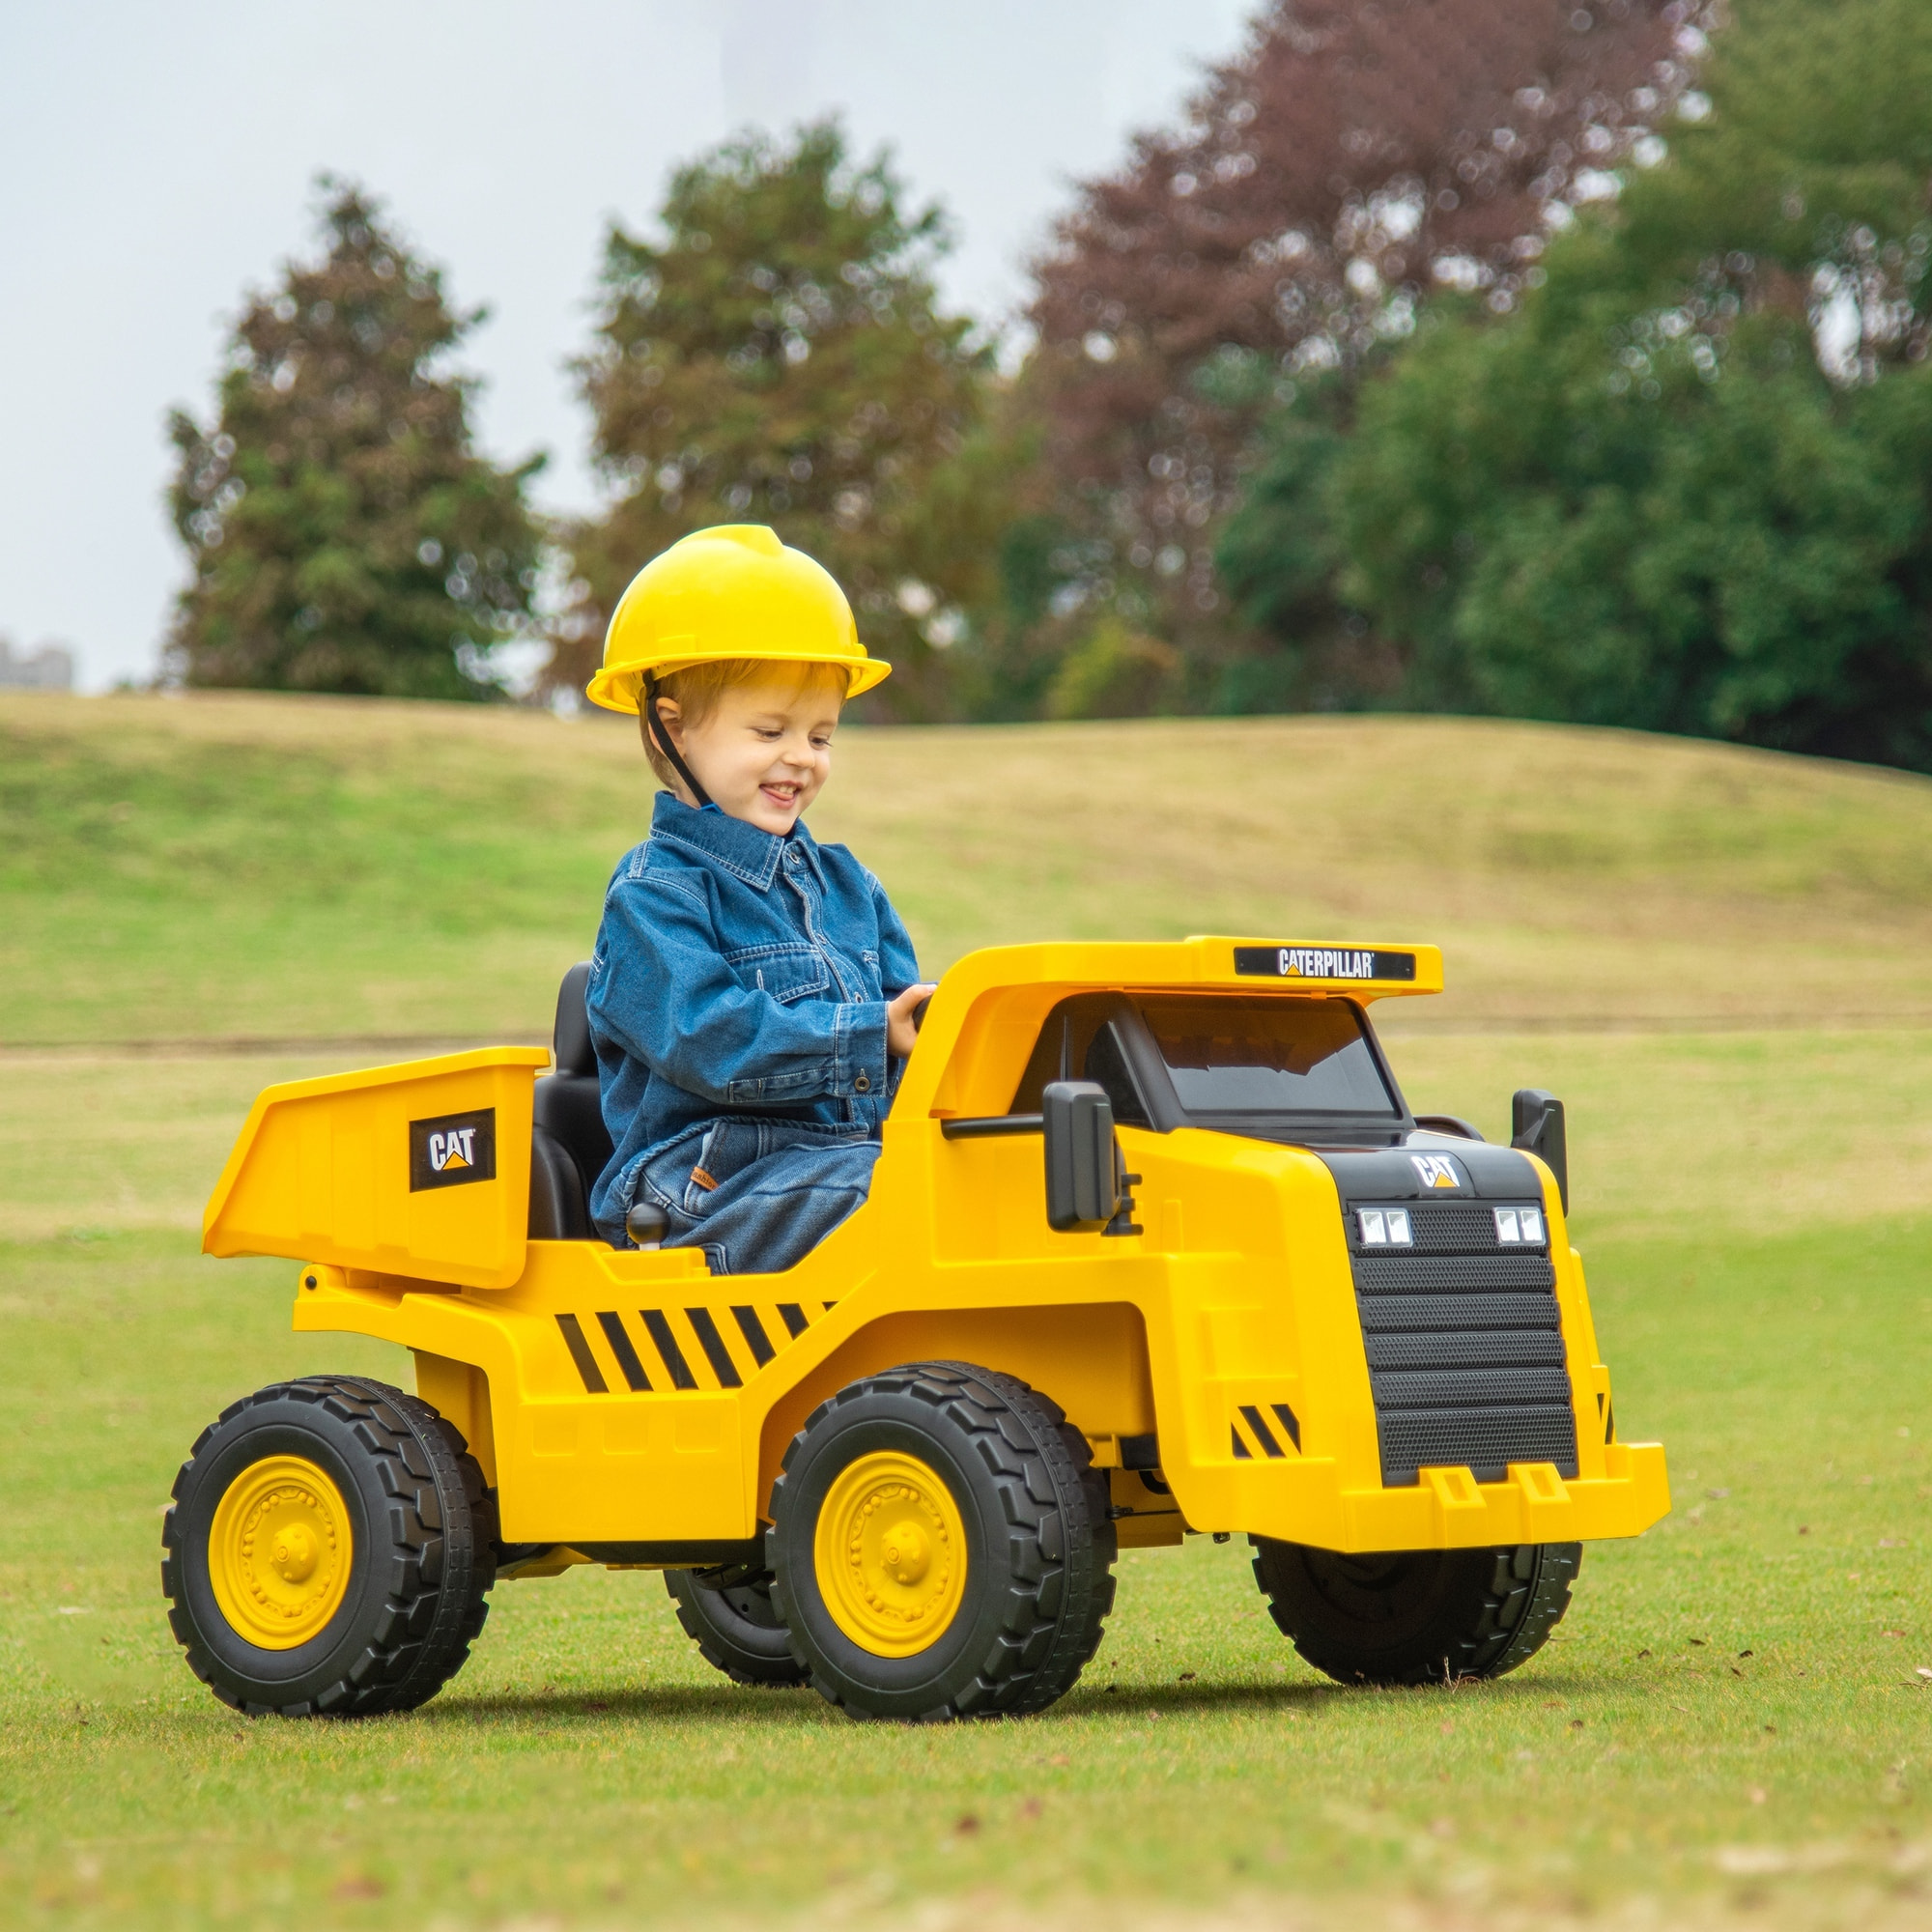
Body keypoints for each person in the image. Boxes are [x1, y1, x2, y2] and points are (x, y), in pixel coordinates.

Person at [581, 524, 936, 1273]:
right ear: (670, 729)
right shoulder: (655, 895)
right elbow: (707, 1038)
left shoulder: (851, 887)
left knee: (989, 1176)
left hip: (842, 1162)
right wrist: (868, 1035)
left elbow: (913, 1036)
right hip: (702, 1189)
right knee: (904, 1192)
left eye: (821, 737)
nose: (800, 759)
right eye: (770, 730)